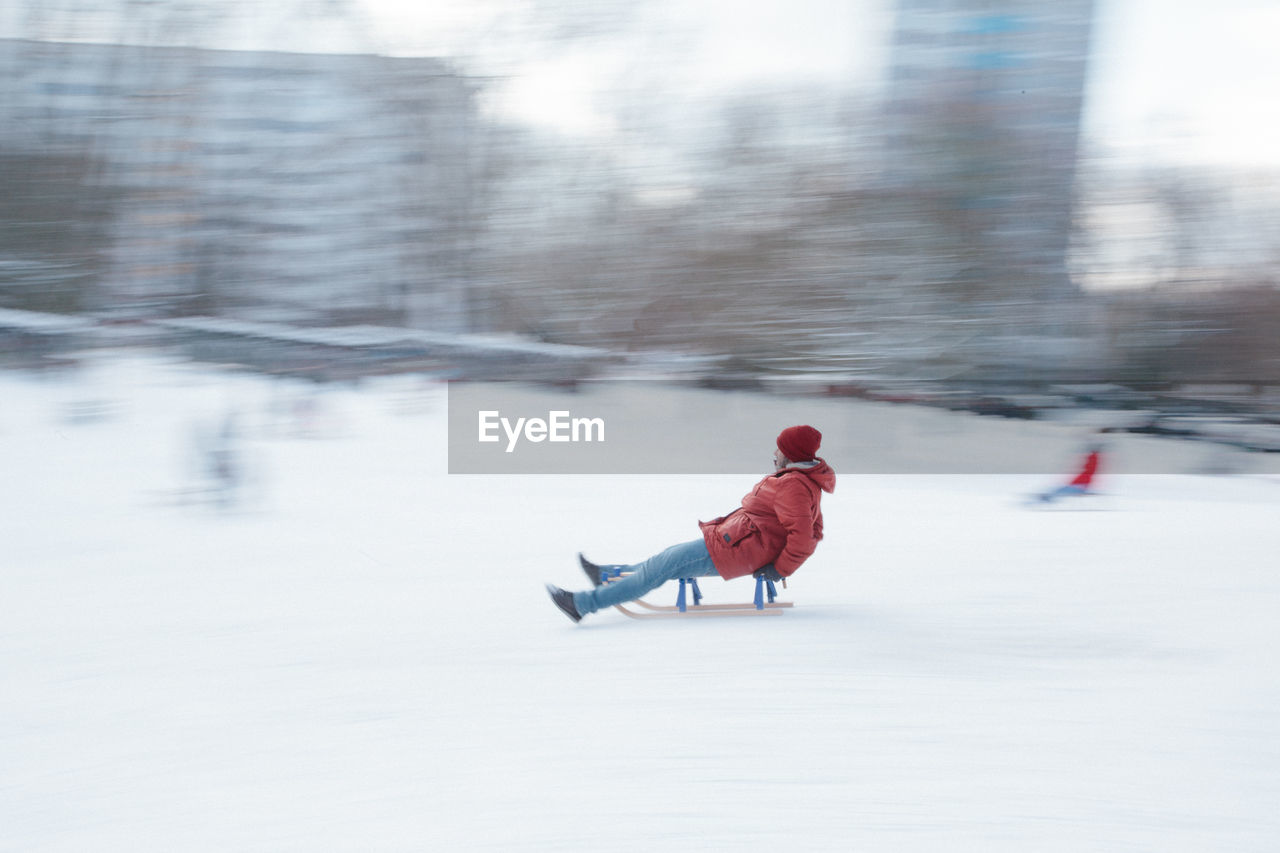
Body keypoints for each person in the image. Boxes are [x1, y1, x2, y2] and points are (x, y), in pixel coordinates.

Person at [546, 425, 836, 623]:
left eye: (779, 449)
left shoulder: (794, 485)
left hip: (738, 550)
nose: (775, 454)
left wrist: (779, 567)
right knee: (662, 561)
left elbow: (805, 537)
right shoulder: (799, 482)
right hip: (735, 542)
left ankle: (582, 604)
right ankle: (608, 575)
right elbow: (814, 528)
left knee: (659, 568)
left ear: (792, 454)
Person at [1036, 432, 1106, 504]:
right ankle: (1048, 497)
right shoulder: (1087, 471)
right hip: (1076, 486)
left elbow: (1092, 464)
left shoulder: (1089, 471)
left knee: (1061, 491)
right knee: (1060, 489)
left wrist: (1093, 452)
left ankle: (1048, 497)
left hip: (1078, 487)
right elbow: (1091, 464)